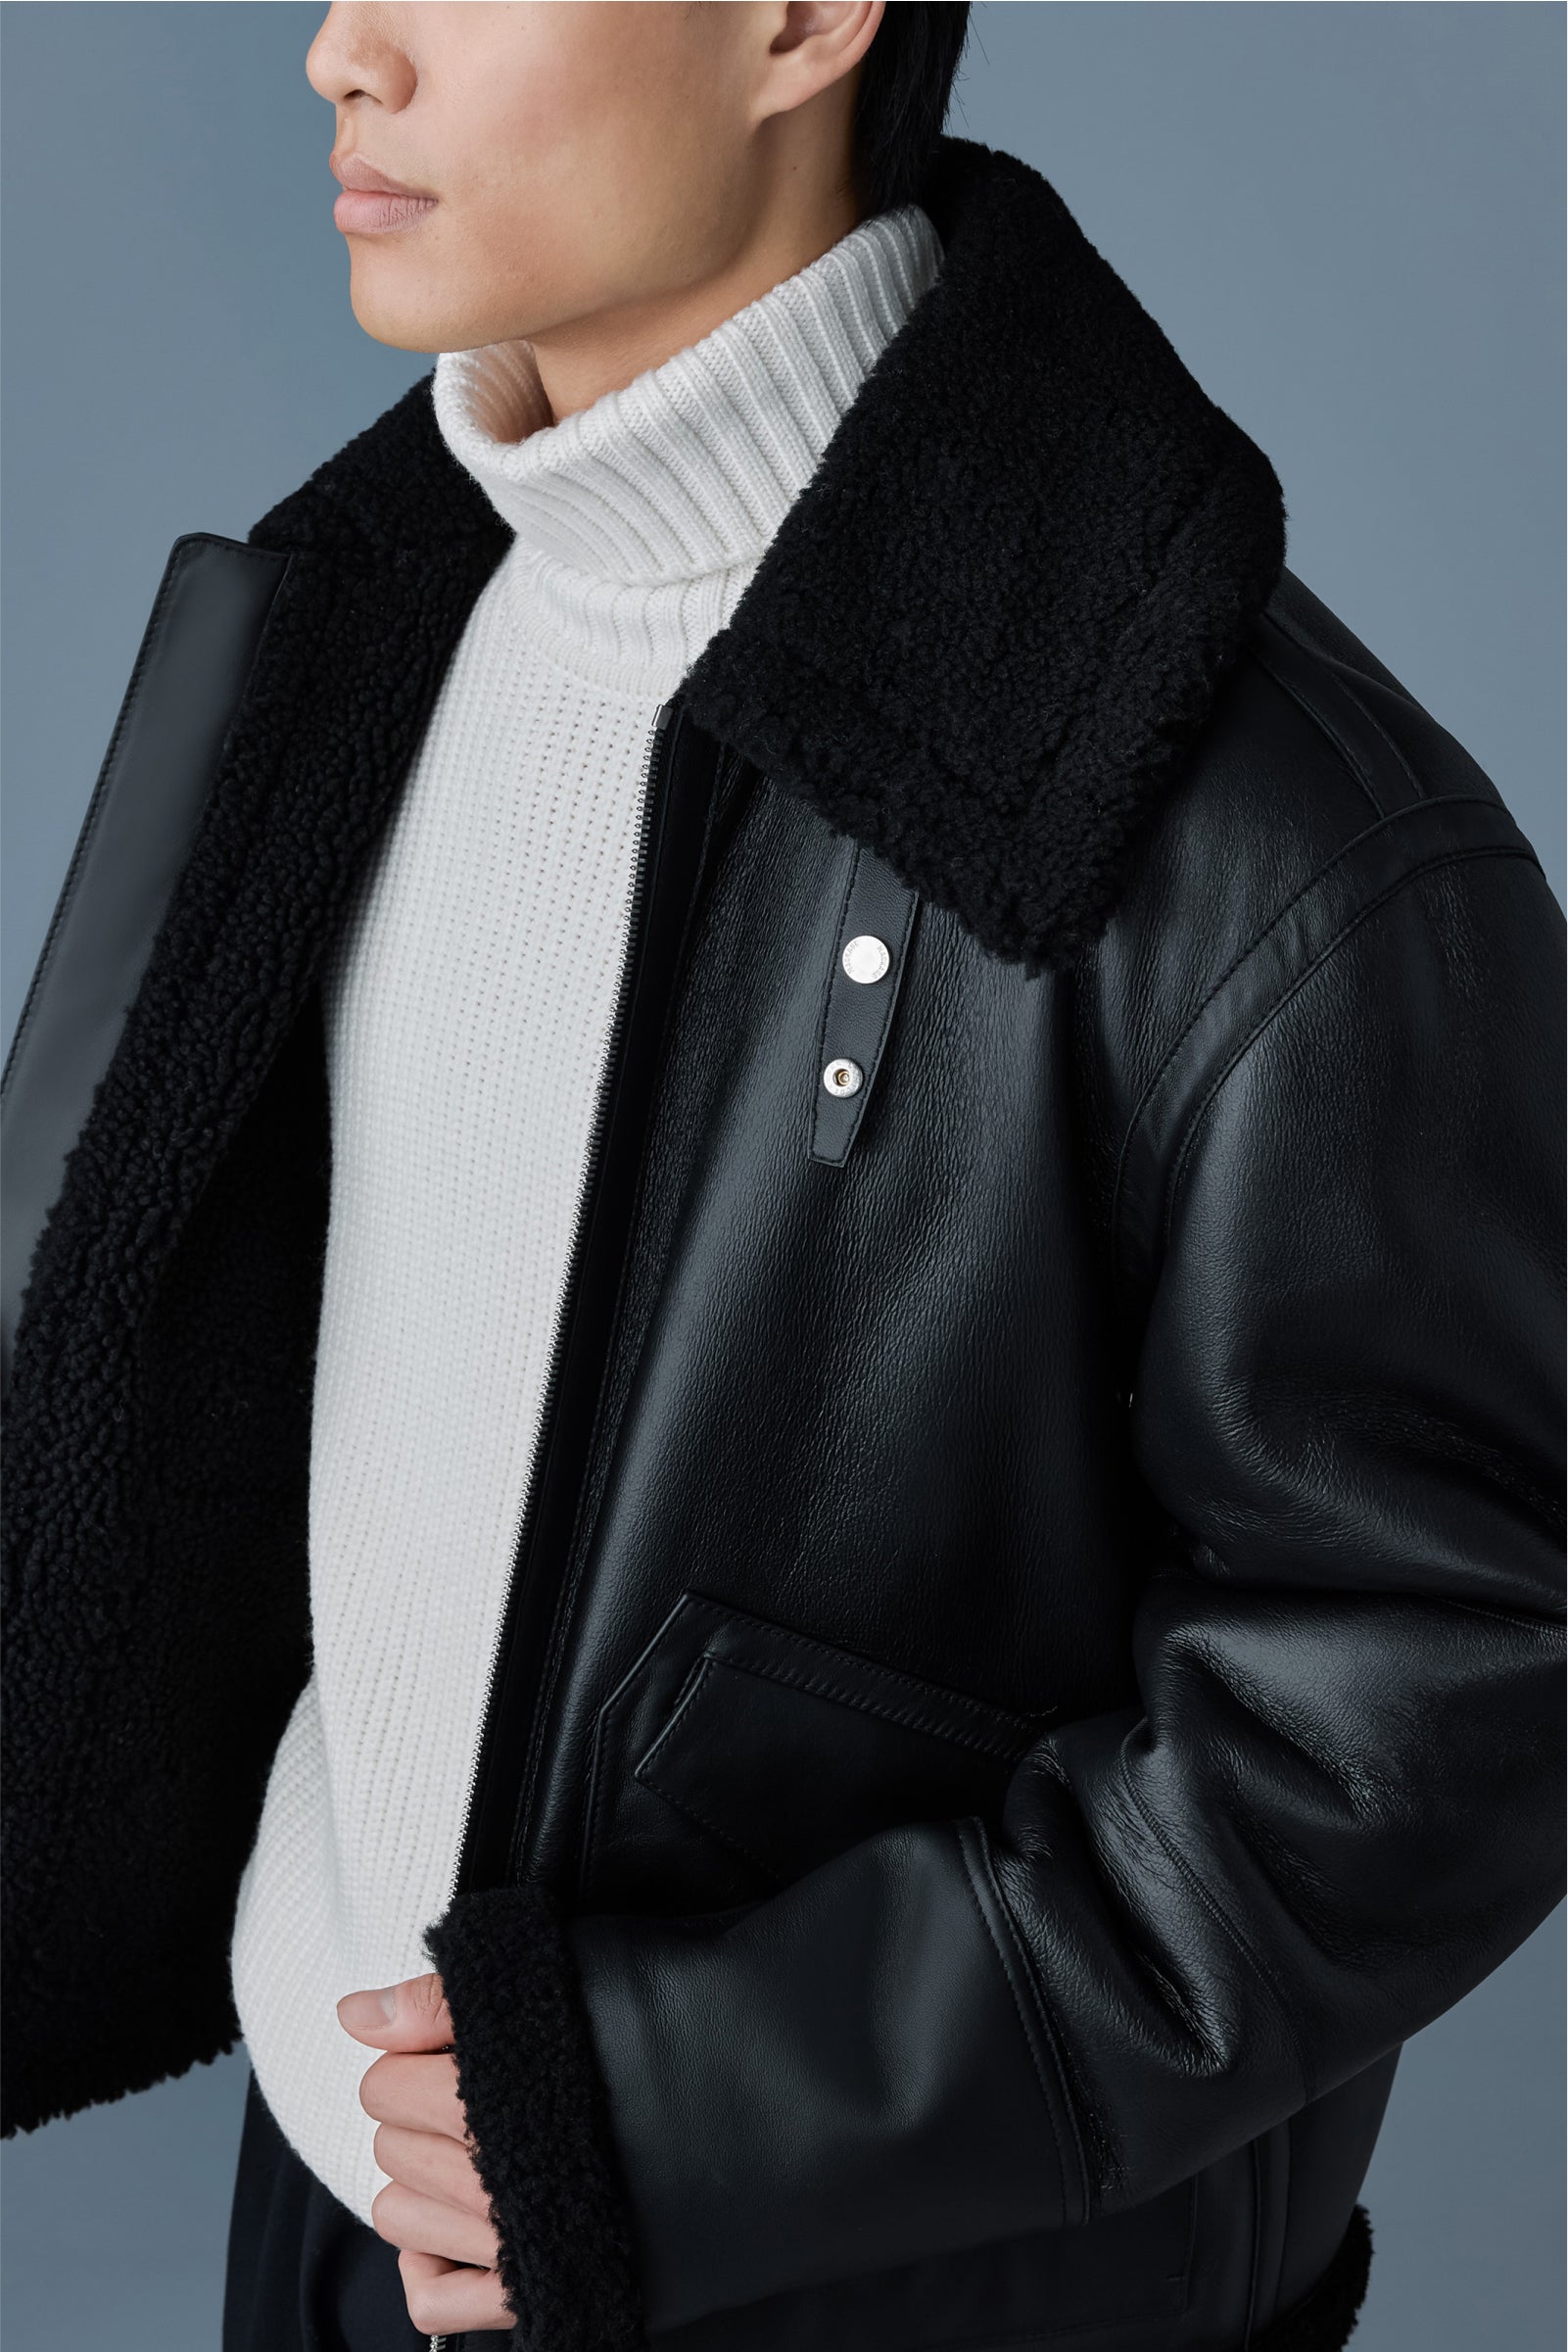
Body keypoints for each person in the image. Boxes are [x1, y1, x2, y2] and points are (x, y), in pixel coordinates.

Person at [2, 4, 1562, 2347]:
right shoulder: (359, 625)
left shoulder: (1284, 842)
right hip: (338, 2215)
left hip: (843, 2283)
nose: (339, 51)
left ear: (806, 21)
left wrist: (673, 2109)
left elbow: (1445, 1687)